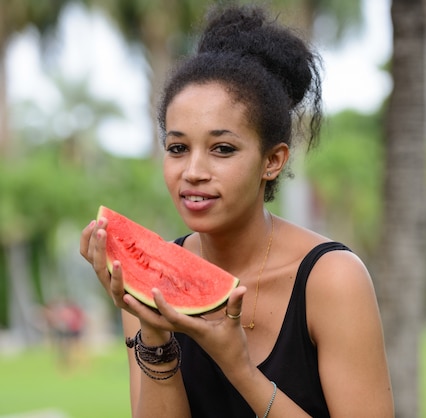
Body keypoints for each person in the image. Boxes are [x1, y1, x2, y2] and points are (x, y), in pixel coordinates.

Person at [80, 3, 394, 417]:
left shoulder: (332, 279)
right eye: (177, 148)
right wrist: (154, 333)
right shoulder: (144, 290)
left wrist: (239, 367)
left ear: (273, 160)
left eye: (222, 149)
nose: (192, 172)